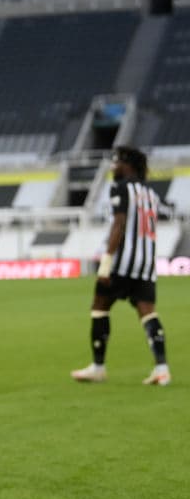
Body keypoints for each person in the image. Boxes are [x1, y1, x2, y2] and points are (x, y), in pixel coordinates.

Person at [71, 145, 170, 386]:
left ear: (128, 165)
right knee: (148, 312)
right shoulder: (150, 193)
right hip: (145, 263)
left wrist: (106, 263)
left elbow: (119, 225)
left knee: (99, 306)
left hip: (123, 262)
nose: (114, 167)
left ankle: (98, 367)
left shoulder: (121, 187)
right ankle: (162, 368)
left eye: (117, 162)